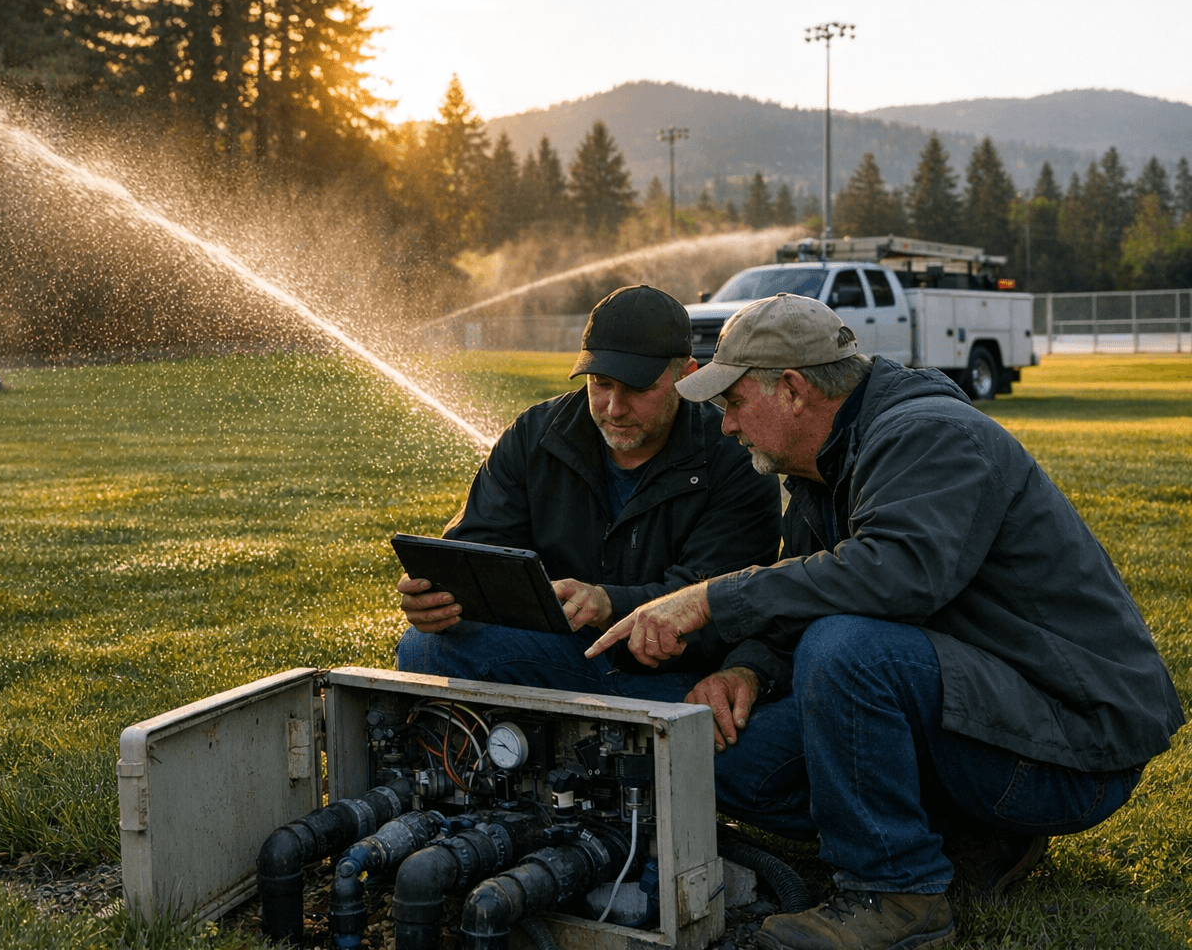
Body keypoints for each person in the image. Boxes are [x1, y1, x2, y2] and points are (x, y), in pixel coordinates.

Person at [587, 293, 1185, 950]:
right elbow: (811, 591)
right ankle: (970, 837)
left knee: (847, 649)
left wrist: (709, 600)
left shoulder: (928, 435)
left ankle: (896, 895)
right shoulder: (820, 469)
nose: (726, 427)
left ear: (791, 390)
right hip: (992, 717)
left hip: (1075, 749)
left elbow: (899, 575)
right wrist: (748, 670)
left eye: (733, 404)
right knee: (725, 765)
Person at [396, 284, 782, 709]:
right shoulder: (534, 434)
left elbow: (719, 602)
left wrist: (607, 603)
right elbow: (480, 548)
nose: (614, 408)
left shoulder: (735, 454)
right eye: (600, 384)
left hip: (678, 675)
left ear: (686, 377)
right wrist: (439, 595)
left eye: (637, 388)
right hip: (559, 654)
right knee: (423, 646)